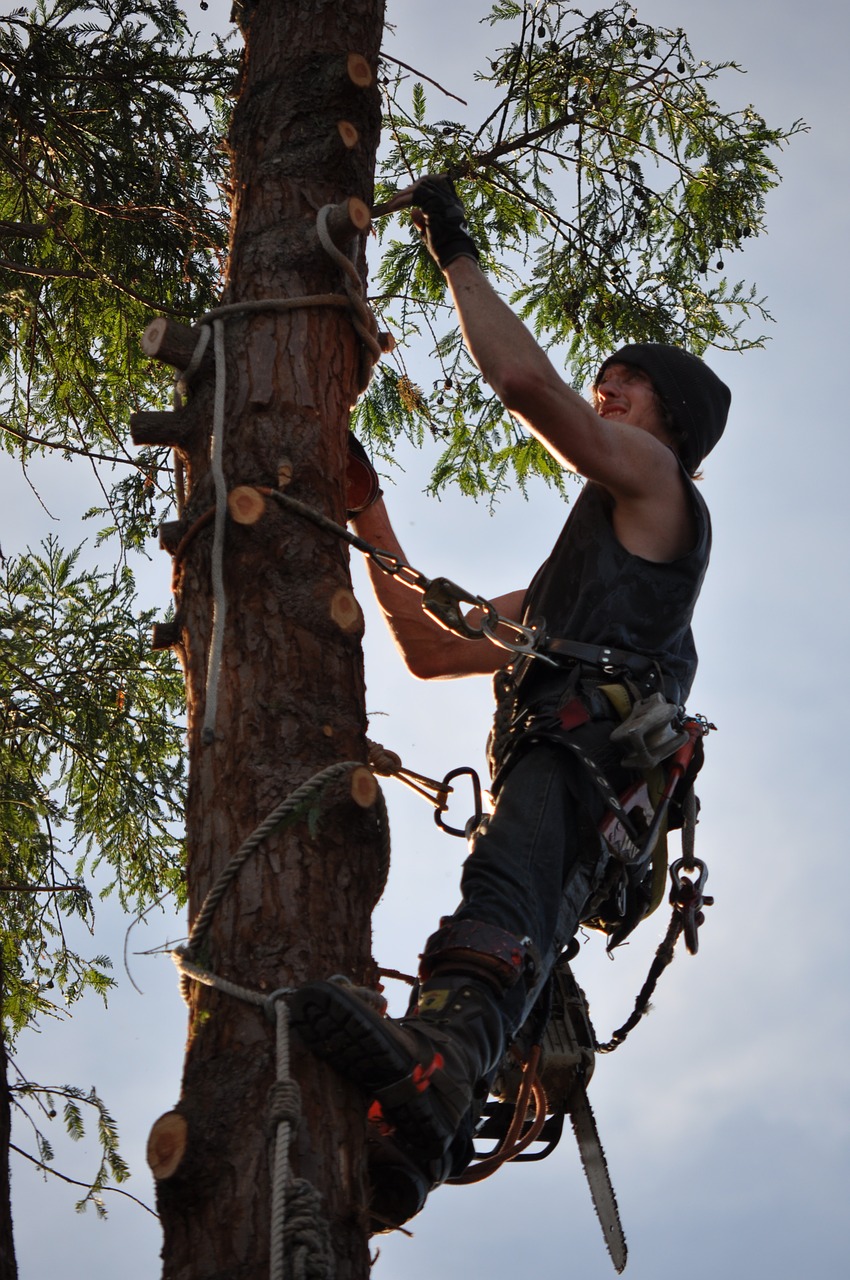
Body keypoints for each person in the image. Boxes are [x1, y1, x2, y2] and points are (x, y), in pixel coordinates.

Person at [290, 176, 731, 1230]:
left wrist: (455, 252)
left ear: (668, 420)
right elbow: (433, 645)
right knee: (507, 901)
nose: (604, 398)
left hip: (582, 768)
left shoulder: (662, 490)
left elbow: (527, 384)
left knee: (502, 900)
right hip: (562, 763)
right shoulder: (574, 583)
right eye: (603, 386)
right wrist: (368, 508)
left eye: (621, 388)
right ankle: (418, 1130)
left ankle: (435, 1065)